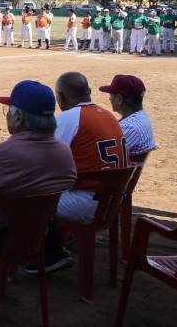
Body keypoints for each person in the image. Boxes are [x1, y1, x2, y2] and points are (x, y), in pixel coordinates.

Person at [0, 80, 76, 290]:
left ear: (18, 117)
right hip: (36, 238)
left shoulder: (3, 154)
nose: (7, 116)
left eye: (8, 111)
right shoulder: (64, 152)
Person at [37, 72, 127, 271]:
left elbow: (47, 161)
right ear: (89, 92)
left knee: (31, 198)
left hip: (86, 204)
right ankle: (56, 244)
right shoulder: (108, 115)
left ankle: (47, 254)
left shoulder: (70, 118)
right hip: (110, 201)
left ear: (60, 97)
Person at [99, 75, 157, 159]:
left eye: (111, 95)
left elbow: (100, 155)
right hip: (129, 170)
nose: (110, 99)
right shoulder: (142, 116)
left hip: (115, 171)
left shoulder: (128, 127)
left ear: (119, 99)